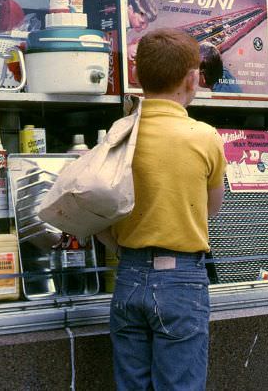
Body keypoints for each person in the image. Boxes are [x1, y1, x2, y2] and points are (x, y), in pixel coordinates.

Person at [108, 27, 226, 390]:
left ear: (139, 76)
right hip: (181, 280)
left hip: (127, 275)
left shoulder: (120, 130)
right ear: (193, 79)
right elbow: (211, 209)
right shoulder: (205, 137)